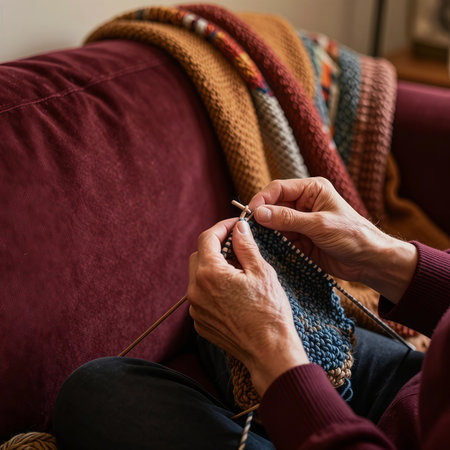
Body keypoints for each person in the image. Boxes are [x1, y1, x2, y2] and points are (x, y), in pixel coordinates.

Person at [53, 177, 450, 449]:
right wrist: (386, 258)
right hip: (425, 390)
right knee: (210, 317)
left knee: (96, 391)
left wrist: (272, 351)